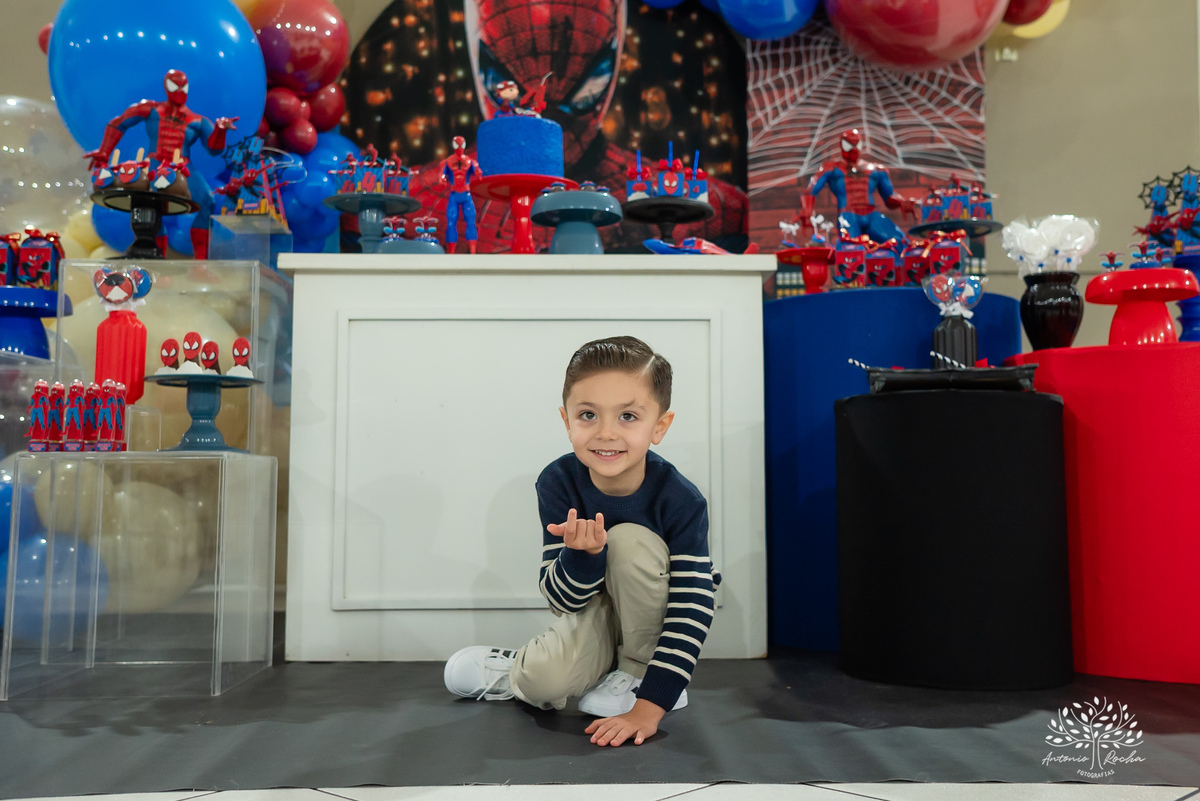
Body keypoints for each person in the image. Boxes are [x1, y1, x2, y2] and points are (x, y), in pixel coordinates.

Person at [443, 336, 718, 747]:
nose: (606, 433)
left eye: (628, 416)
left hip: (652, 624)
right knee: (541, 683)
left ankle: (639, 674)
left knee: (627, 541)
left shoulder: (681, 499)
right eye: (588, 415)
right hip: (595, 611)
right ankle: (521, 668)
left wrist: (649, 707)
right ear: (567, 420)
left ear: (659, 426)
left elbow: (691, 607)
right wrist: (582, 557)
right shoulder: (558, 482)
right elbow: (562, 602)